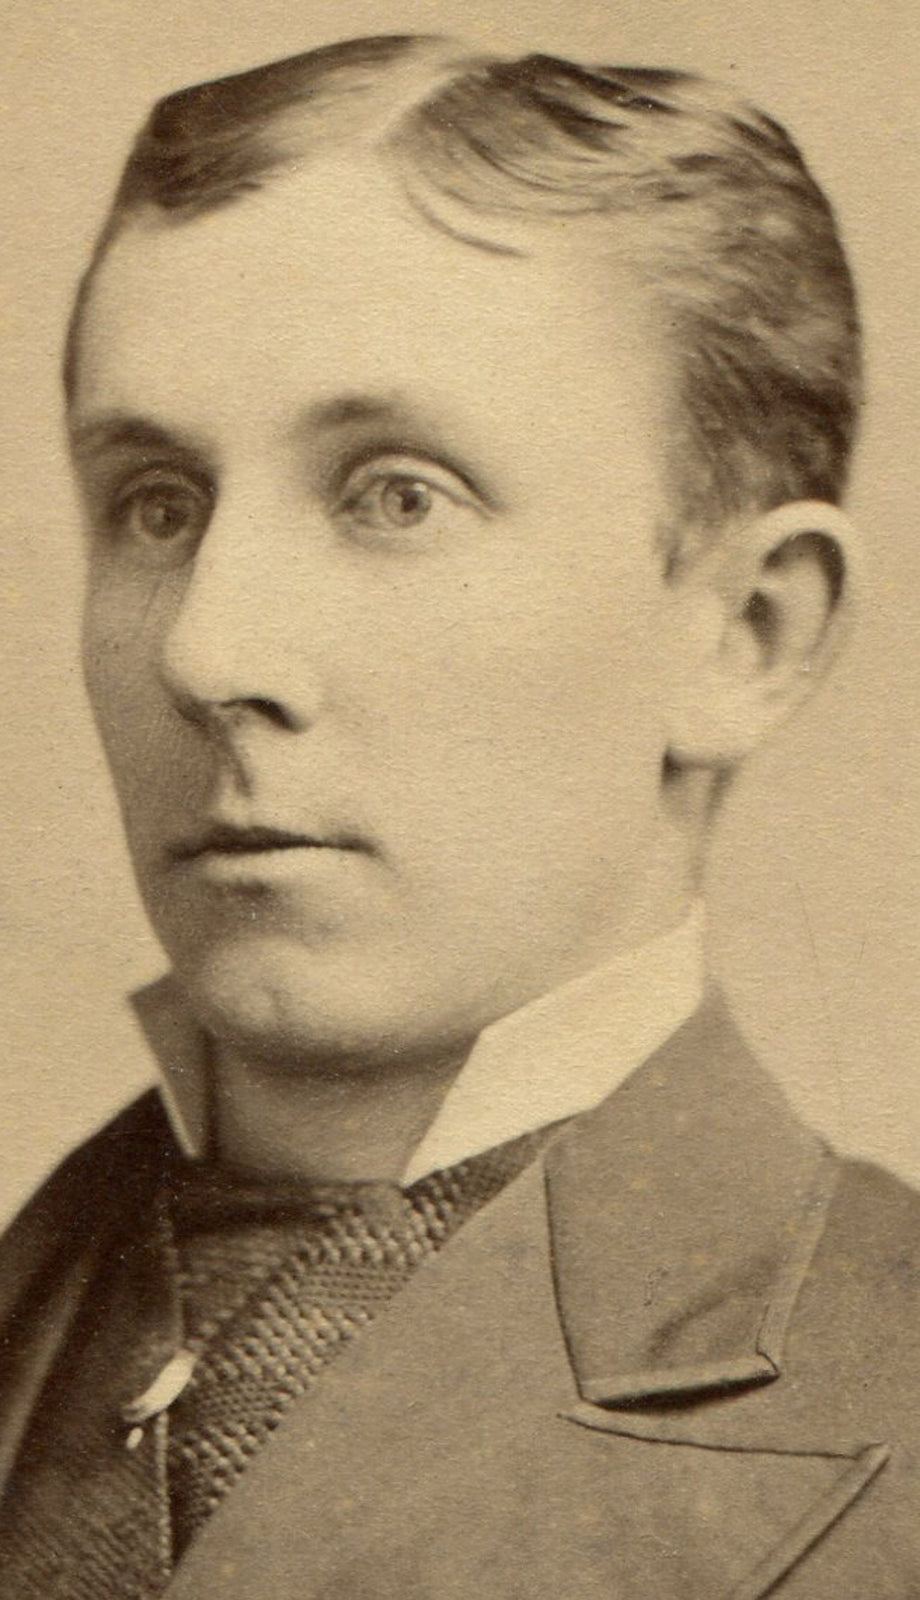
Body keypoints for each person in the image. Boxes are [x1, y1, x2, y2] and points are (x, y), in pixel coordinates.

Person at [0, 32, 917, 1598]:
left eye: (396, 495)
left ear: (745, 633)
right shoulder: (38, 1298)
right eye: (158, 500)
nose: (206, 653)